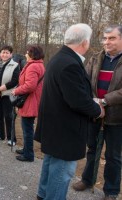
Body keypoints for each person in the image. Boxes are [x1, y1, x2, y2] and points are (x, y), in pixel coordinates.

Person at [34, 23, 104, 200]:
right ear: (85, 42)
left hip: (54, 124)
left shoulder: (59, 58)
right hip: (65, 129)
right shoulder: (70, 63)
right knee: (62, 172)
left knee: (50, 163)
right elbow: (77, 100)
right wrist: (97, 110)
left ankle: (43, 194)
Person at [72, 25, 122, 200]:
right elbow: (84, 81)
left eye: (112, 38)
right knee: (92, 149)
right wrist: (92, 101)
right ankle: (87, 179)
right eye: (105, 38)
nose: (107, 42)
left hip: (117, 117)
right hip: (94, 113)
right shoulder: (94, 58)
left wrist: (105, 100)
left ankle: (111, 190)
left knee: (113, 156)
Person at [12, 45, 45, 159]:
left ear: (32, 54)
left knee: (27, 129)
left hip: (30, 101)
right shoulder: (39, 65)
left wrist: (16, 91)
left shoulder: (33, 67)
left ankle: (28, 154)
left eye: (27, 52)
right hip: (32, 100)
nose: (25, 54)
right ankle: (26, 149)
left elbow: (30, 86)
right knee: (27, 127)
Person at [0, 45, 19, 145]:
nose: (4, 54)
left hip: (7, 94)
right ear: (0, 53)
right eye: (3, 52)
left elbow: (14, 81)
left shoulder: (15, 65)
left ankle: (11, 138)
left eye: (7, 52)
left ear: (11, 54)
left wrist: (0, 89)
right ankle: (0, 134)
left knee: (9, 116)